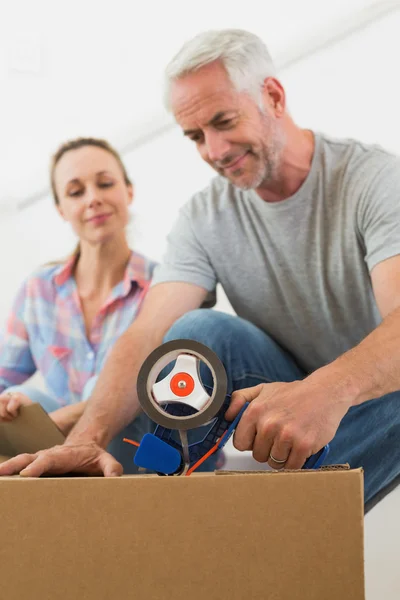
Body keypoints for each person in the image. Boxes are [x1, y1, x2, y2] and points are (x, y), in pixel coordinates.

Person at [1, 29, 399, 509]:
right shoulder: (205, 216)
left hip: (370, 400)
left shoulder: (374, 181)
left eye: (223, 122)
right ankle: (166, 503)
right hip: (276, 389)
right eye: (195, 137)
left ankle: (295, 512)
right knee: (195, 329)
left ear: (272, 96)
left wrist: (323, 393)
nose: (213, 150)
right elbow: (148, 332)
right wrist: (85, 439)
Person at [0, 137, 157, 472]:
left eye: (105, 184)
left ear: (128, 191)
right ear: (61, 209)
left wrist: (68, 417)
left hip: (137, 449)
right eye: (75, 192)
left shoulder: (165, 287)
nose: (93, 199)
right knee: (18, 397)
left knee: (127, 392)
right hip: (59, 453)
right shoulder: (37, 291)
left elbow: (164, 392)